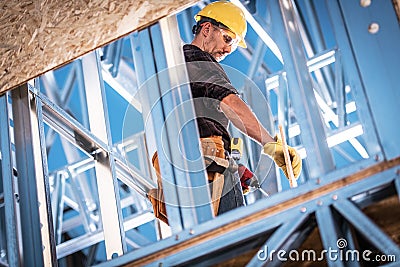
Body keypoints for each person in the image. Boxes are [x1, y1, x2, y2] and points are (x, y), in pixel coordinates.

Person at [149, 1, 302, 223]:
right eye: (228, 38)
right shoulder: (199, 60)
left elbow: (194, 121)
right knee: (241, 237)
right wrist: (270, 144)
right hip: (202, 159)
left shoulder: (180, 69)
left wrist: (234, 168)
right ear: (207, 28)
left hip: (175, 170)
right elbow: (229, 102)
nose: (228, 49)